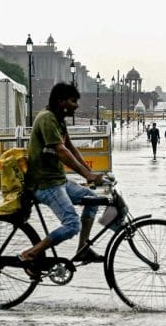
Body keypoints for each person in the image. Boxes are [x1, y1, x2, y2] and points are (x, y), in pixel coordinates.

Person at [19, 82, 105, 265]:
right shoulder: (46, 119)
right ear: (61, 101)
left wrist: (90, 173)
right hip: (45, 184)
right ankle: (31, 253)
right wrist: (86, 175)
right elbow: (62, 152)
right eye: (73, 101)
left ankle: (83, 249)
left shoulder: (58, 120)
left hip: (58, 180)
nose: (77, 105)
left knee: (93, 199)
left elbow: (71, 148)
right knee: (73, 225)